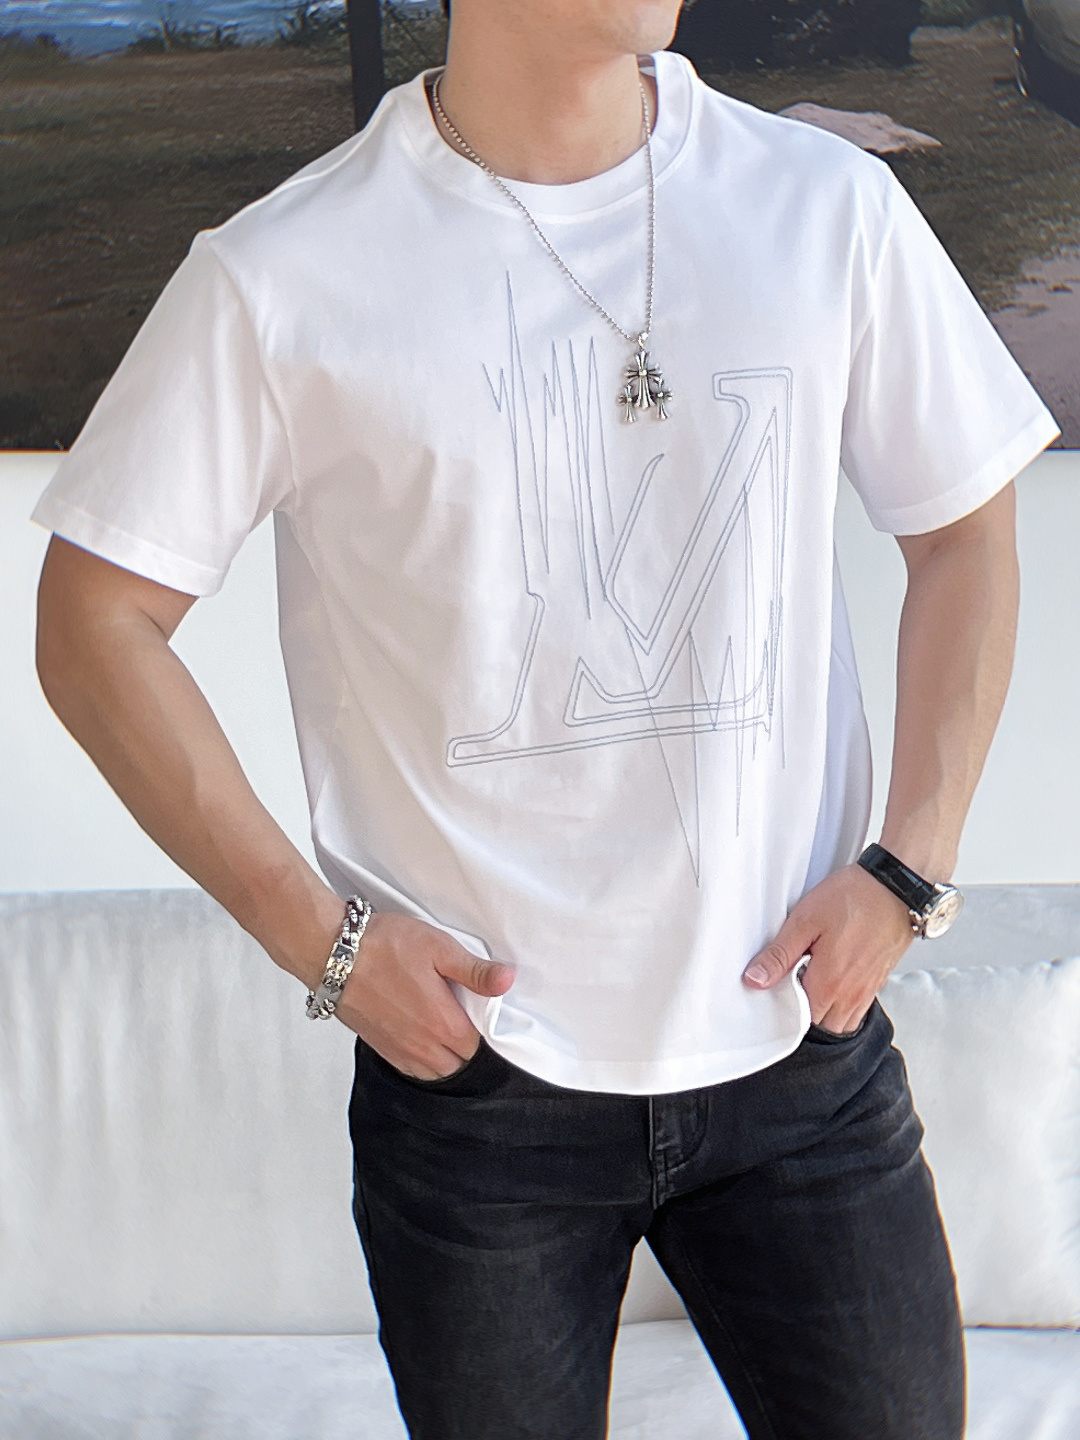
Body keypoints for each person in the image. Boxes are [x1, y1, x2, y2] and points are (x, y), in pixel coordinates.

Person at [33, 1, 1060, 1436]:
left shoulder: (826, 208)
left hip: (799, 1054)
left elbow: (964, 531)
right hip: (480, 1092)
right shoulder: (283, 273)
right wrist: (321, 942)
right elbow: (93, 624)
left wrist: (910, 866)